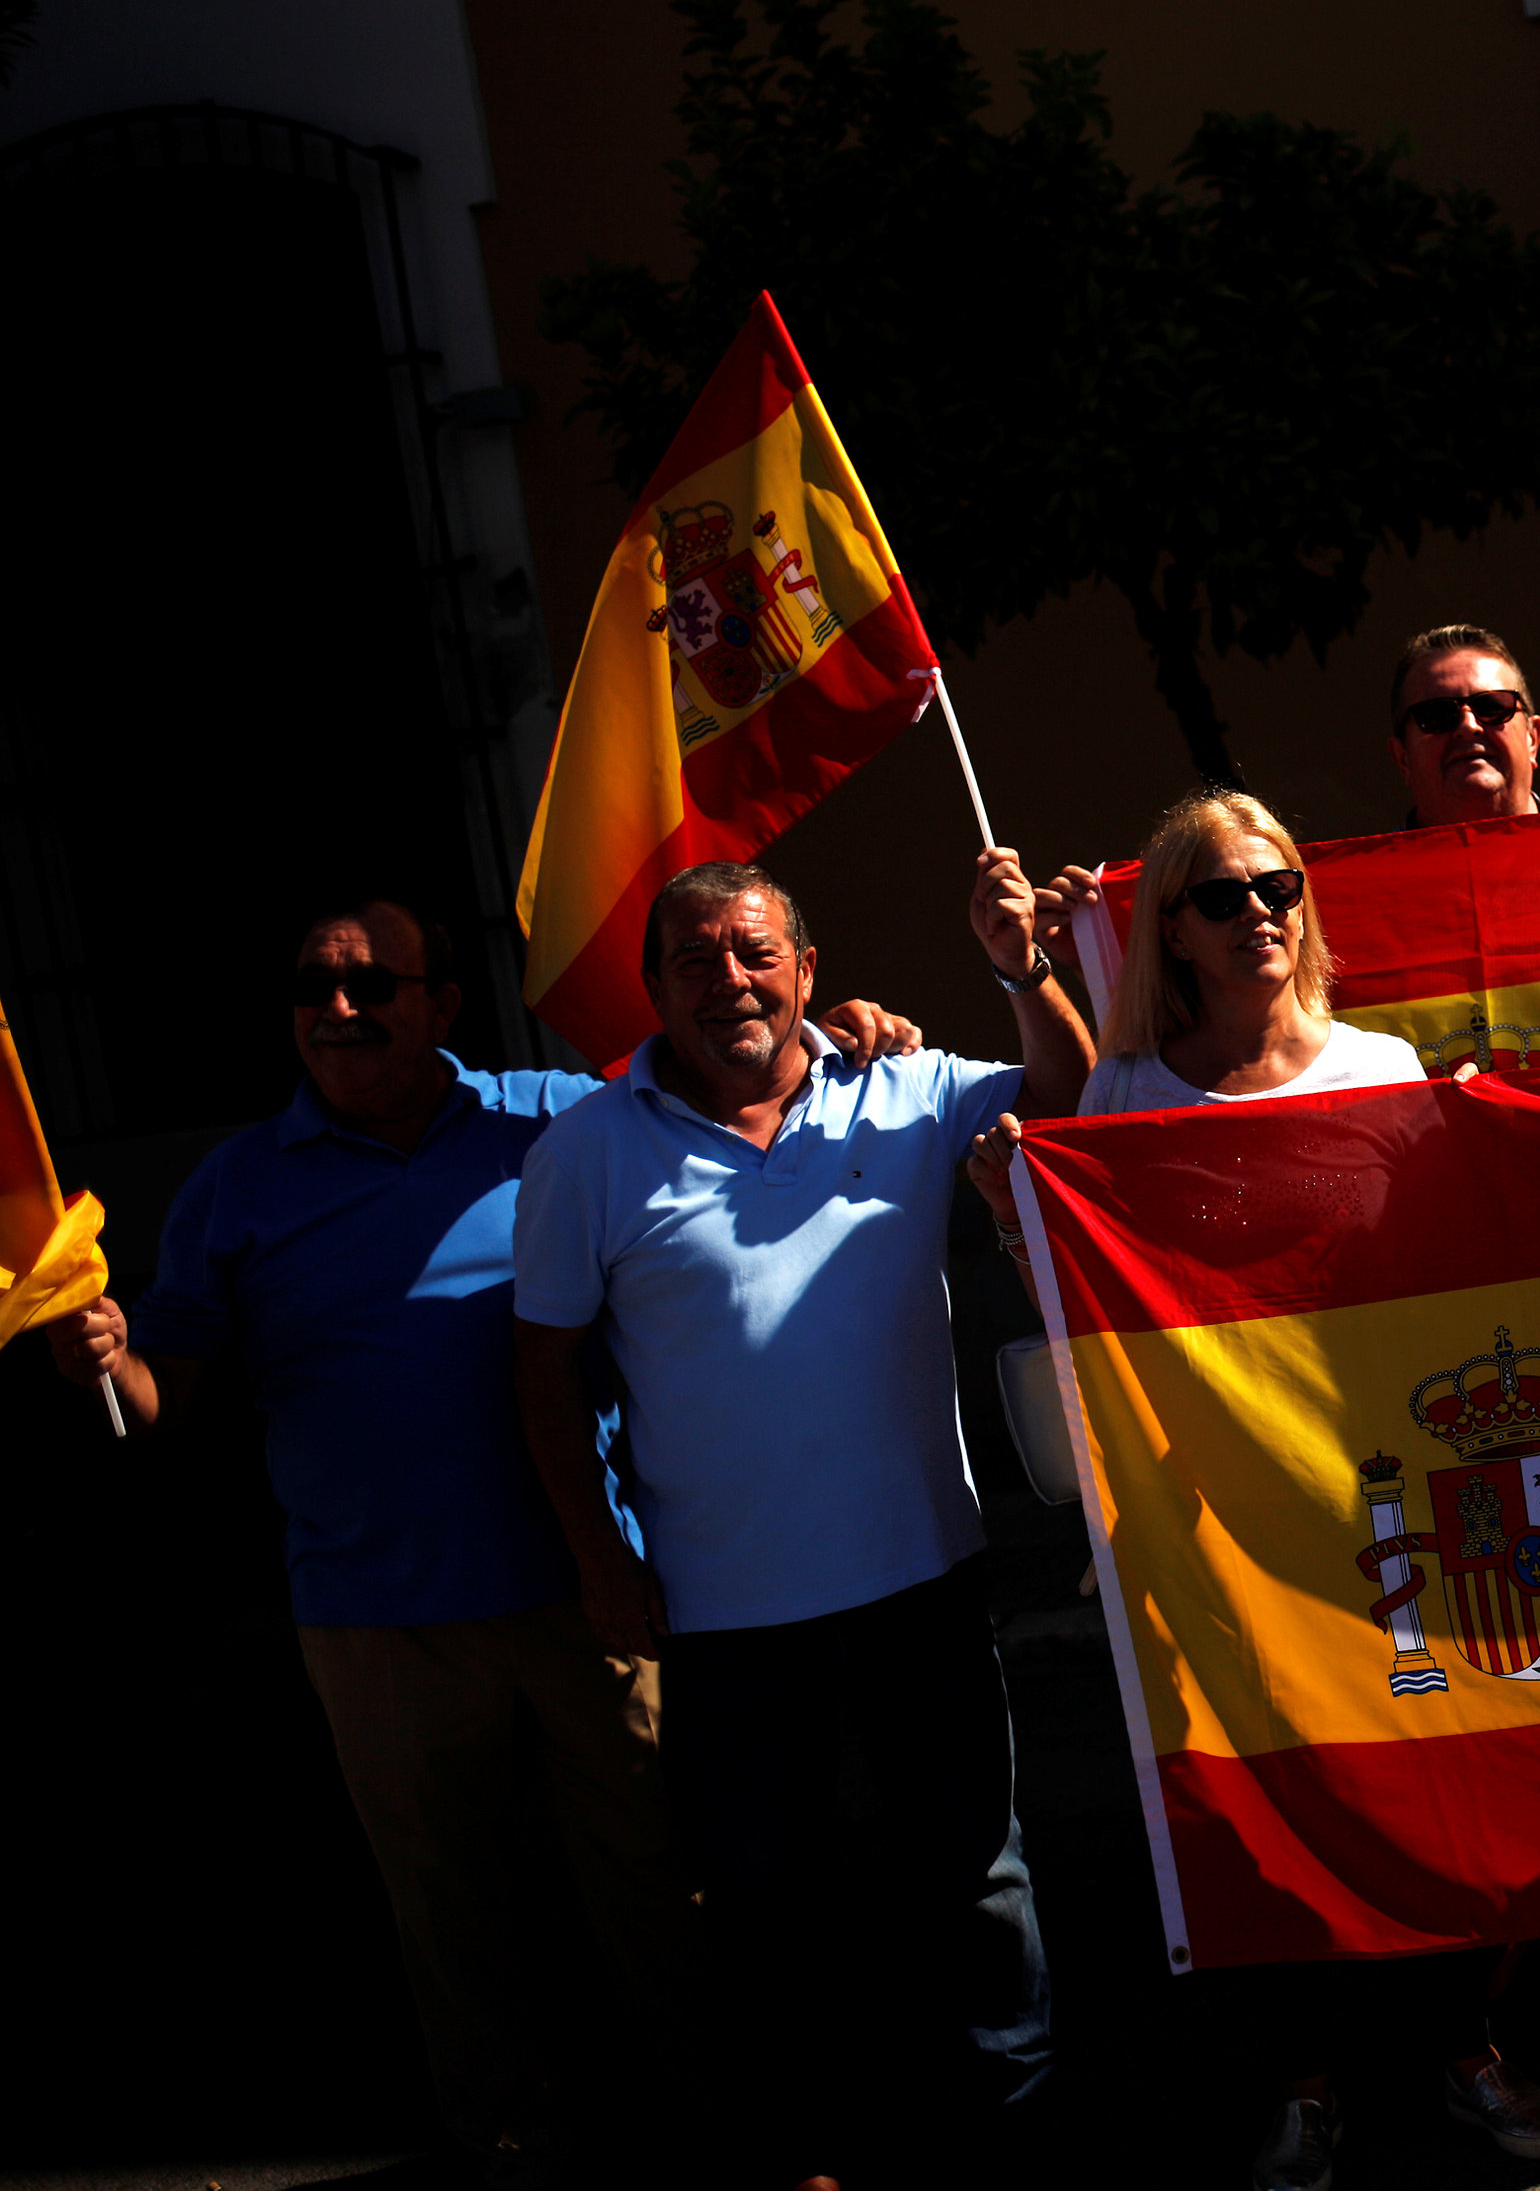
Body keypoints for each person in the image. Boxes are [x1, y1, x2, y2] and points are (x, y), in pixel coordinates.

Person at [37, 898, 916, 2180]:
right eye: (313, 989)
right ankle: (515, 2154)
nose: (339, 1011)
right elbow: (169, 1383)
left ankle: (733, 2147)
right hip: (375, 1618)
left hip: (587, 1593)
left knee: (663, 1897)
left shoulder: (550, 1114)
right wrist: (108, 1359)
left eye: (374, 986)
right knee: (453, 1923)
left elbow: (706, 1073)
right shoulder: (240, 1182)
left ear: (442, 1006)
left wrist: (832, 1036)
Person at [973, 791, 1540, 2189]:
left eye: (1280, 884)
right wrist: (1021, 1209)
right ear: (1168, 930)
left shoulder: (1381, 1063)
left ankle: (1458, 2044)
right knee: (1251, 1808)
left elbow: (1444, 1273)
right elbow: (1089, 1305)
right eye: (1224, 892)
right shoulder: (1126, 1100)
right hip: (1210, 1523)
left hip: (1377, 1498)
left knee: (1431, 1781)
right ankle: (1298, 2080)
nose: (1261, 911)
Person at [509, 855, 1092, 2191]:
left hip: (922, 1578)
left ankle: (1019, 2124)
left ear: (808, 970)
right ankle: (814, 2145)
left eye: (756, 953)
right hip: (722, 1610)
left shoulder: (906, 1086)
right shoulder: (588, 1150)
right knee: (771, 1900)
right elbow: (542, 1370)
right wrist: (599, 1558)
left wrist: (1022, 970)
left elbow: (1069, 1101)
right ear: (655, 989)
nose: (730, 981)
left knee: (975, 1875)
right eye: (697, 960)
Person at [1390, 624, 1540, 826]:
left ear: (1533, 739)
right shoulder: (1357, 859)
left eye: (1492, 707)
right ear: (1403, 758)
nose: (1468, 727)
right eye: (1437, 715)